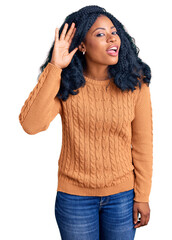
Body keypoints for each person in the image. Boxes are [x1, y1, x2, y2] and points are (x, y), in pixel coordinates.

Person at [18, 5, 153, 240]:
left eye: (113, 31)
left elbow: (143, 144)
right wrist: (55, 68)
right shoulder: (67, 85)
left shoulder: (135, 83)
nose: (112, 38)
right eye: (100, 34)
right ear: (81, 45)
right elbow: (31, 125)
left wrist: (142, 195)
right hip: (74, 199)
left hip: (122, 197)